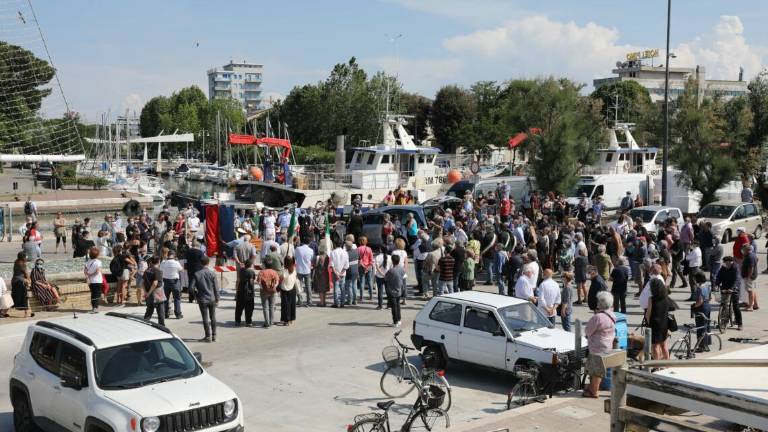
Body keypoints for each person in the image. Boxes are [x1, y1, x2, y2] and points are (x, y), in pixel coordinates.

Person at [584, 291, 616, 398]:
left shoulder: (597, 317)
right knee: (599, 369)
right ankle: (593, 388)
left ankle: (594, 391)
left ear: (600, 303)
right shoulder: (612, 314)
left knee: (596, 370)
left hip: (597, 346)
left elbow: (588, 331)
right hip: (607, 344)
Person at [194, 255, 220, 341]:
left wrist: (196, 296)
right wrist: (217, 298)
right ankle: (214, 335)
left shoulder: (197, 274)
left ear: (200, 263)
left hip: (202, 299)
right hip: (211, 298)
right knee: (213, 317)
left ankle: (208, 336)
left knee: (205, 318)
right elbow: (216, 288)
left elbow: (191, 288)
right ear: (208, 263)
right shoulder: (212, 273)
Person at [645, 278, 671, 360]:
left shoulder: (651, 299)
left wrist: (648, 324)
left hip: (655, 324)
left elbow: (648, 314)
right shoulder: (666, 298)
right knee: (664, 345)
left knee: (655, 346)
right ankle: (667, 364)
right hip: (664, 324)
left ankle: (657, 365)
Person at [715, 256, 742, 330]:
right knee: (724, 305)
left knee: (735, 306)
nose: (726, 265)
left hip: (734, 287)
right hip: (725, 286)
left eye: (727, 263)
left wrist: (732, 288)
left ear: (731, 262)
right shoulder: (723, 268)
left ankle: (740, 323)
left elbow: (736, 279)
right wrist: (717, 284)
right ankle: (723, 322)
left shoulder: (735, 268)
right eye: (725, 263)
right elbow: (718, 277)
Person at [159, 251, 184, 319]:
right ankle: (178, 314)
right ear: (174, 255)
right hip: (175, 282)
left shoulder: (163, 262)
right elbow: (182, 270)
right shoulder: (176, 262)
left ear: (168, 255)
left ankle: (166, 314)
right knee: (177, 298)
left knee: (166, 299)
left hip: (166, 281)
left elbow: (160, 270)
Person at [142, 256, 166, 326]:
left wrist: (146, 292)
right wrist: (149, 293)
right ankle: (161, 326)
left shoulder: (147, 270)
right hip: (157, 292)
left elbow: (142, 283)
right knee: (160, 311)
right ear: (159, 262)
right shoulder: (158, 270)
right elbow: (155, 283)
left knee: (149, 310)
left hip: (148, 292)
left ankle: (144, 324)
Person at [691, 272, 711, 352]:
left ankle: (701, 346)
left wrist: (694, 306)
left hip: (701, 308)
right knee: (706, 326)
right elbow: (710, 298)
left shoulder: (699, 288)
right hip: (707, 306)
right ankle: (706, 345)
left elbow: (700, 301)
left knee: (700, 327)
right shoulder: (707, 286)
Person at [384, 254, 406, 327]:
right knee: (398, 305)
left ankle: (395, 321)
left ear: (392, 261)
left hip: (392, 291)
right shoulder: (402, 269)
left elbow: (386, 278)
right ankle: (399, 320)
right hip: (399, 290)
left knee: (394, 307)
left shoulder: (391, 271)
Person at [235, 259, 257, 326]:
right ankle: (248, 321)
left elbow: (238, 280)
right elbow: (251, 281)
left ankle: (237, 321)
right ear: (251, 265)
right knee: (249, 307)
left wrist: (236, 289)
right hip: (249, 291)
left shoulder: (241, 270)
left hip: (240, 290)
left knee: (239, 306)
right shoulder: (251, 272)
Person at [11, 252, 33, 318]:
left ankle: (28, 312)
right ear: (22, 258)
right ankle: (27, 313)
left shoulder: (16, 262)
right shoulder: (22, 264)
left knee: (15, 296)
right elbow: (26, 274)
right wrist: (29, 281)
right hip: (20, 282)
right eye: (25, 257)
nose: (26, 258)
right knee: (24, 297)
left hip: (14, 281)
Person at [295, 238, 315, 307]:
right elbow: (312, 259)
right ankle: (309, 301)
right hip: (307, 270)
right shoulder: (311, 250)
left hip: (299, 269)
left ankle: (300, 300)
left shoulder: (298, 249)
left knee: (299, 286)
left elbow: (295, 257)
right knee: (308, 286)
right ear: (309, 243)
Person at [84, 247, 104, 314]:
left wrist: (88, 277)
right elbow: (98, 271)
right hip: (97, 280)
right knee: (97, 295)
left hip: (91, 281)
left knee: (93, 294)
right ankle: (95, 308)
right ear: (97, 255)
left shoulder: (87, 262)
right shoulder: (98, 262)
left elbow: (85, 272)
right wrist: (91, 274)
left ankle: (93, 307)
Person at [329, 240, 349, 308]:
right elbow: (346, 265)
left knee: (336, 288)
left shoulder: (333, 252)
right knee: (342, 288)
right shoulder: (345, 252)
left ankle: (336, 303)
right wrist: (341, 273)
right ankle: (342, 303)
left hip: (335, 273)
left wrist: (337, 274)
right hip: (342, 273)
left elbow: (332, 265)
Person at [280, 256, 299, 325]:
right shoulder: (294, 269)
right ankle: (291, 319)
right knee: (292, 304)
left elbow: (281, 278)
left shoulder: (284, 270)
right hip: (292, 288)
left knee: (285, 305)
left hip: (284, 288)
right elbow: (295, 278)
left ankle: (286, 320)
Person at [741, 243, 759, 311]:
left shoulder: (749, 256)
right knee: (752, 290)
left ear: (746, 249)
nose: (742, 250)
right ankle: (755, 304)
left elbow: (750, 268)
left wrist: (749, 276)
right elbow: (757, 259)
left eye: (743, 249)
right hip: (752, 276)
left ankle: (750, 306)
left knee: (750, 291)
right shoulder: (752, 254)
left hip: (749, 276)